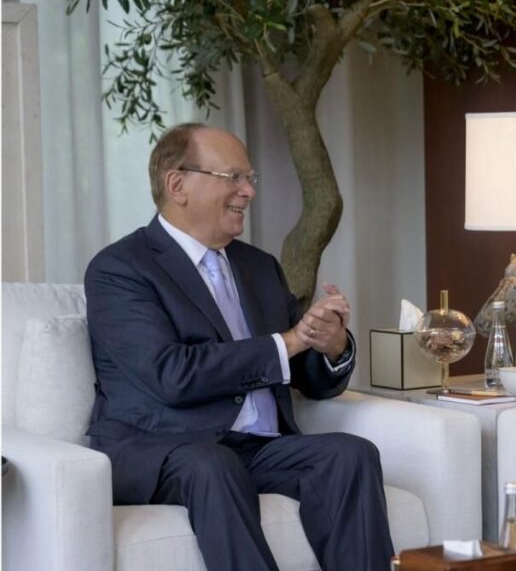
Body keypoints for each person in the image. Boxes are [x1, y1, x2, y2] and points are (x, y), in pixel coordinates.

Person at [85, 123, 394, 570]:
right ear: (177, 185)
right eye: (233, 177)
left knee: (350, 453)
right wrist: (290, 340)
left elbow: (301, 370)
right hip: (163, 448)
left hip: (257, 447)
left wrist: (330, 345)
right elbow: (171, 376)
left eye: (250, 178)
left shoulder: (259, 266)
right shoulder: (121, 269)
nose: (248, 191)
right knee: (213, 465)